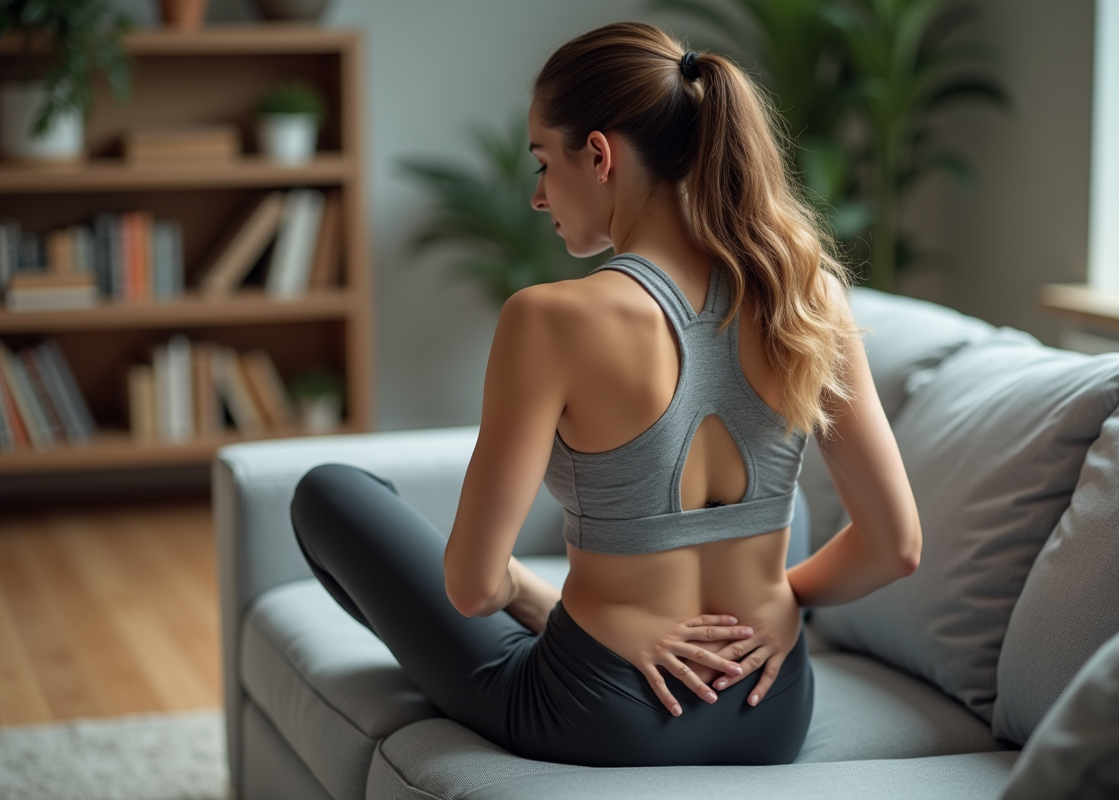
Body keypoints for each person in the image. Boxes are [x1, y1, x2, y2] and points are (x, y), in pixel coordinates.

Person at [290, 21, 921, 768]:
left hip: (599, 715)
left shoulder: (549, 319)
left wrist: (557, 605)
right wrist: (776, 603)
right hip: (768, 708)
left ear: (598, 156)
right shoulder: (806, 293)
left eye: (542, 163)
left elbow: (471, 584)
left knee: (329, 491)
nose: (536, 197)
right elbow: (896, 546)